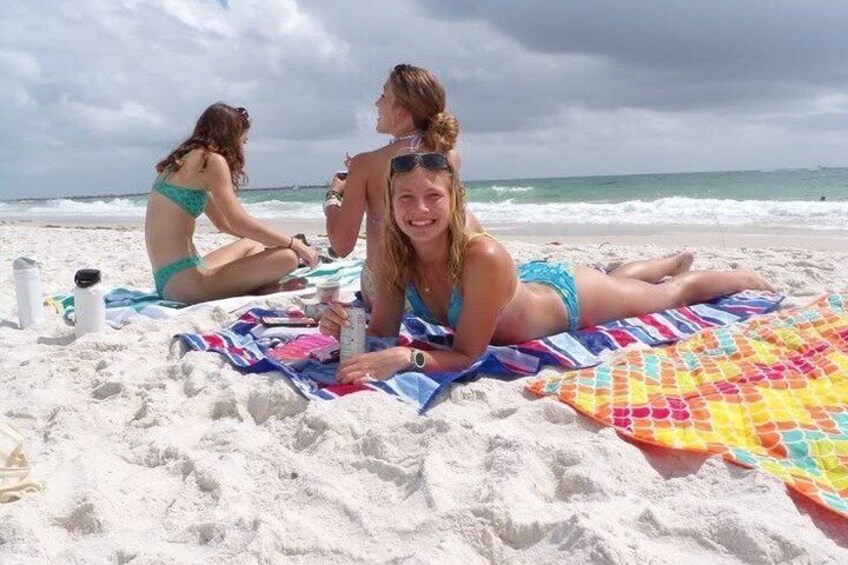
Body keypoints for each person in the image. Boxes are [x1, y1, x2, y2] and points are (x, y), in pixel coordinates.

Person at [320, 152, 775, 384]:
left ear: (455, 200)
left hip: (566, 300)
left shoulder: (482, 255)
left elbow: (466, 354)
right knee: (617, 281)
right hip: (527, 286)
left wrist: (410, 357)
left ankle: (739, 276)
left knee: (668, 295)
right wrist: (343, 329)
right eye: (406, 198)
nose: (420, 210)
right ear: (392, 204)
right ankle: (662, 263)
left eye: (433, 196)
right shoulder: (393, 252)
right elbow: (382, 332)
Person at [323, 64, 481, 308]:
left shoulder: (366, 164)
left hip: (388, 293)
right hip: (443, 292)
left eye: (383, 96)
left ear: (401, 112)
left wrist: (334, 196)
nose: (377, 103)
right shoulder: (448, 154)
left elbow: (341, 246)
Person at [145, 102, 318, 303]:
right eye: (243, 141)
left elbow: (224, 224)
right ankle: (259, 288)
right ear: (230, 137)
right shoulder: (211, 160)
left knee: (252, 245)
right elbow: (237, 221)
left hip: (170, 279)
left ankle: (261, 288)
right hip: (186, 285)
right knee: (287, 257)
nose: (242, 147)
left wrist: (274, 242)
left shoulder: (180, 163)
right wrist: (294, 244)